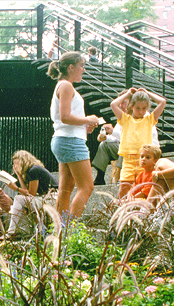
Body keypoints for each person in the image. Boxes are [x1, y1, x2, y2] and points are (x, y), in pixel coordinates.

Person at [47, 51, 100, 219]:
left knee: (66, 188)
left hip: (64, 139)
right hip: (70, 141)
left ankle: (59, 231)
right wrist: (88, 118)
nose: (83, 70)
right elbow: (65, 116)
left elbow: (63, 119)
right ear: (71, 67)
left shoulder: (62, 85)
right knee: (87, 187)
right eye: (81, 66)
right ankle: (70, 229)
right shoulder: (66, 86)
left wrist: (84, 127)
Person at [92, 90, 159, 185]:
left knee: (125, 148)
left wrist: (113, 131)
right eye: (120, 103)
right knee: (104, 145)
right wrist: (105, 137)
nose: (121, 106)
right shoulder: (125, 117)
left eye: (124, 102)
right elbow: (117, 138)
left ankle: (120, 176)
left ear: (131, 103)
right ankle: (100, 176)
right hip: (128, 147)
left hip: (144, 149)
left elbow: (132, 138)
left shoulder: (144, 115)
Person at [111, 87, 167, 200]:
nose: (141, 111)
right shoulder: (125, 119)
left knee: (144, 191)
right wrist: (127, 94)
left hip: (145, 160)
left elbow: (163, 102)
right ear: (131, 106)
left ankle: (142, 214)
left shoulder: (149, 119)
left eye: (144, 108)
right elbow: (113, 104)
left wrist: (148, 93)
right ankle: (125, 213)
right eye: (137, 108)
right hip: (128, 160)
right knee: (124, 191)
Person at [0, 150, 57, 240]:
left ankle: (11, 232)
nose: (14, 166)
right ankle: (39, 232)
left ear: (23, 161)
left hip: (52, 198)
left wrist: (15, 188)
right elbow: (27, 192)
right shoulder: (31, 170)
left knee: (18, 198)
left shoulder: (34, 170)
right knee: (21, 200)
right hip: (45, 198)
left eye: (16, 163)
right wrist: (18, 175)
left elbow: (31, 194)